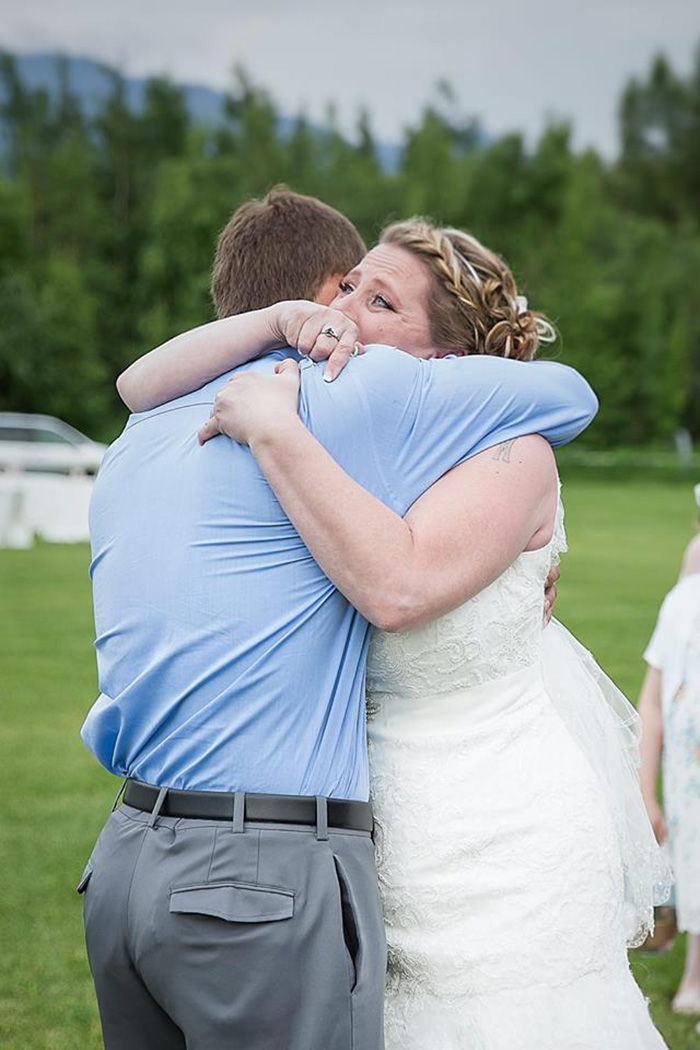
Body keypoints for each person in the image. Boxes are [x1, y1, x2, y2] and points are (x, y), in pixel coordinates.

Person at [120, 216, 670, 1049]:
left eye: (378, 301)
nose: (344, 308)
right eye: (347, 286)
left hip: (491, 828)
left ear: (444, 360)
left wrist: (274, 431)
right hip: (356, 827)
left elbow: (399, 587)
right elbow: (140, 388)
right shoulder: (358, 436)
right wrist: (280, 331)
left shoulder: (513, 453)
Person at [641, 502, 700, 1015]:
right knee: (692, 855)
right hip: (690, 766)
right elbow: (653, 698)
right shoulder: (685, 596)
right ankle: (693, 967)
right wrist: (645, 787)